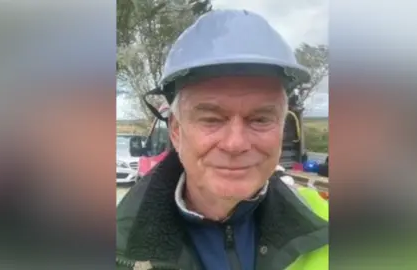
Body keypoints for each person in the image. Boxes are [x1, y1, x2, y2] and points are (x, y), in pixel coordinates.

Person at [117, 9, 328, 270]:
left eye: (260, 119)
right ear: (175, 131)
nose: (235, 144)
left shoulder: (325, 221)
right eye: (211, 119)